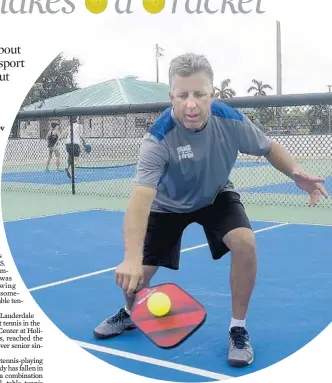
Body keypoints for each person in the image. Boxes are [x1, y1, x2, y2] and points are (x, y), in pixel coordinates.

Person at [93, 53, 328, 367]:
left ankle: (238, 328)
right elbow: (140, 201)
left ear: (212, 94)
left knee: (245, 243)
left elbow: (269, 147)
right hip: (168, 206)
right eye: (183, 95)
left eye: (199, 94)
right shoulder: (157, 138)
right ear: (171, 97)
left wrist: (296, 173)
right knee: (135, 279)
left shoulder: (229, 119)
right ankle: (131, 313)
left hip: (215, 195)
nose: (191, 104)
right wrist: (132, 258)